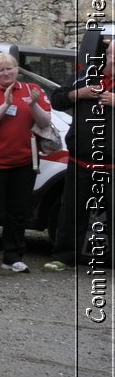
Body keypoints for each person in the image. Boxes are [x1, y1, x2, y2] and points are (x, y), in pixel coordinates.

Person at [0, 52, 55, 273]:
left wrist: (34, 104)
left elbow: (45, 121)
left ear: (17, 69)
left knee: (18, 211)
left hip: (24, 161)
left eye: (10, 68)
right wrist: (5, 105)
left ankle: (13, 257)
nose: (6, 72)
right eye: (1, 69)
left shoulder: (30, 90)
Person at [48, 32, 114, 271]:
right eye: (112, 55)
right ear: (106, 55)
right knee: (72, 213)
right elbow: (55, 100)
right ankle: (64, 257)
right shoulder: (85, 78)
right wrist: (78, 94)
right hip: (81, 161)